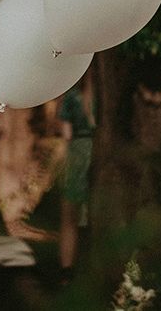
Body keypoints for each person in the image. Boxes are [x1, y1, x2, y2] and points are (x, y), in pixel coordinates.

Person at [57, 75, 96, 284]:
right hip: (101, 152)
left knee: (69, 216)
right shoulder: (105, 95)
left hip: (78, 154)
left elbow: (66, 134)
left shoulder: (71, 95)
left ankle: (66, 271)